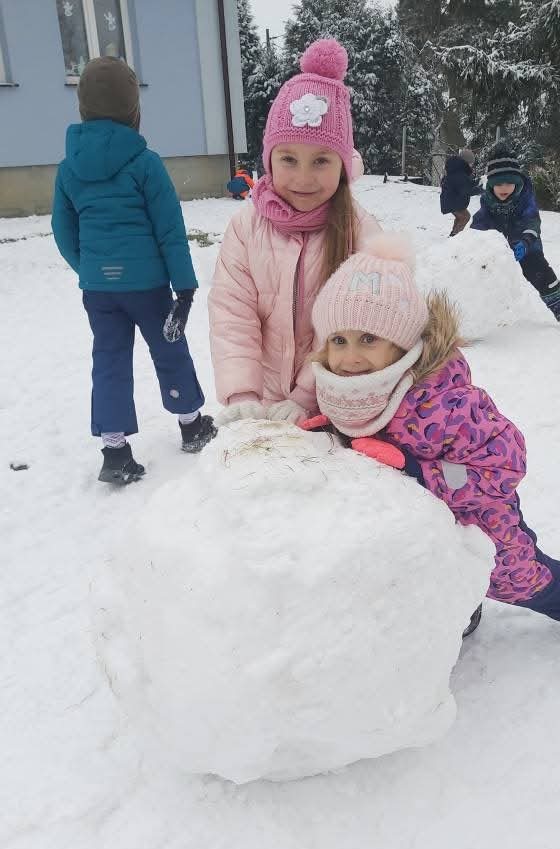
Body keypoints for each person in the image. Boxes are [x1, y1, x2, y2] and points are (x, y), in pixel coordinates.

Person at [300, 233, 560, 626]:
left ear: (401, 343)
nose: (349, 358)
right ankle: (460, 603)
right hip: (428, 532)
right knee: (439, 571)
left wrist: (420, 471)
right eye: (339, 340)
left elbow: (506, 465)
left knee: (526, 581)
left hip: (484, 526)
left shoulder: (442, 402)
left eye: (368, 339)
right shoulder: (347, 388)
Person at [51, 57, 216, 485]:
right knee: (169, 348)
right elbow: (169, 229)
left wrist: (89, 269)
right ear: (135, 113)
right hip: (148, 287)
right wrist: (185, 287)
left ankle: (115, 450)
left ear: (82, 111)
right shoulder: (145, 162)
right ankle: (191, 424)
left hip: (99, 293)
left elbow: (63, 229)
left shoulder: (69, 168)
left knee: (108, 360)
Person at [208, 38, 381, 426]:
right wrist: (243, 392)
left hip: (338, 400)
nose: (303, 178)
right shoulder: (246, 226)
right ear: (269, 160)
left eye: (321, 160)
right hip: (264, 398)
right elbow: (233, 312)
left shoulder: (358, 231)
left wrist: (307, 394)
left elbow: (355, 323)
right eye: (289, 159)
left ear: (343, 164)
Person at [471, 147, 560, 320]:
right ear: (491, 184)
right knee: (489, 276)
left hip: (527, 244)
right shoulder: (487, 200)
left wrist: (526, 242)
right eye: (499, 184)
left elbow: (532, 220)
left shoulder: (524, 198)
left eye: (509, 183)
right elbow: (481, 220)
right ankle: (487, 313)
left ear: (517, 182)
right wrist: (473, 239)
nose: (504, 188)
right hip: (499, 248)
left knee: (539, 272)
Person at [440, 148, 482, 236]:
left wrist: (478, 181)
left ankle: (454, 234)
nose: (471, 165)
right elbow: (466, 191)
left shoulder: (458, 170)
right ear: (466, 162)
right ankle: (455, 235)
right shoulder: (460, 174)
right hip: (453, 201)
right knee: (465, 217)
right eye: (471, 163)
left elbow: (467, 185)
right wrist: (481, 189)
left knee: (460, 217)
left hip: (452, 200)